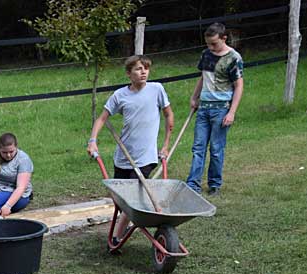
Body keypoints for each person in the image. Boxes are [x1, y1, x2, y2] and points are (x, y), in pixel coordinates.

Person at [88, 55, 174, 244]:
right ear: (129, 73)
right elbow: (102, 118)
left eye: (146, 68)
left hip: (145, 158)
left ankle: (116, 237)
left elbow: (169, 115)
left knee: (132, 199)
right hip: (123, 156)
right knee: (121, 200)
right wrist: (92, 141)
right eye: (138, 69)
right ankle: (126, 223)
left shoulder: (157, 89)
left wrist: (166, 145)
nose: (143, 72)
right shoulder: (120, 95)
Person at [187, 22, 244, 195]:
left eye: (214, 43)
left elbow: (239, 86)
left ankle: (214, 184)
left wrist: (231, 112)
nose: (211, 47)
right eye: (208, 44)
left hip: (221, 109)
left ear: (224, 38)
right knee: (198, 147)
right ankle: (193, 185)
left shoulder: (234, 58)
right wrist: (194, 97)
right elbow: (203, 77)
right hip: (204, 108)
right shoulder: (206, 54)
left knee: (216, 149)